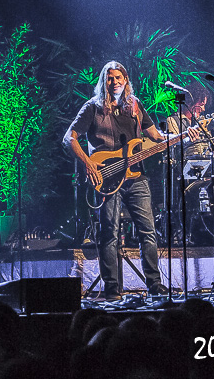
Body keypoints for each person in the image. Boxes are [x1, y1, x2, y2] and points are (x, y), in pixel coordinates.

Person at [64, 61, 185, 299]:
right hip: (107, 176)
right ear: (104, 81)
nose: (115, 82)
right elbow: (70, 137)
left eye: (119, 78)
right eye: (110, 78)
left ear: (125, 80)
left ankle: (154, 285)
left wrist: (182, 136)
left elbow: (156, 137)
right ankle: (112, 287)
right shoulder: (93, 107)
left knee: (148, 231)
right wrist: (88, 163)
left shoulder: (135, 106)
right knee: (109, 233)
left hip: (136, 177)